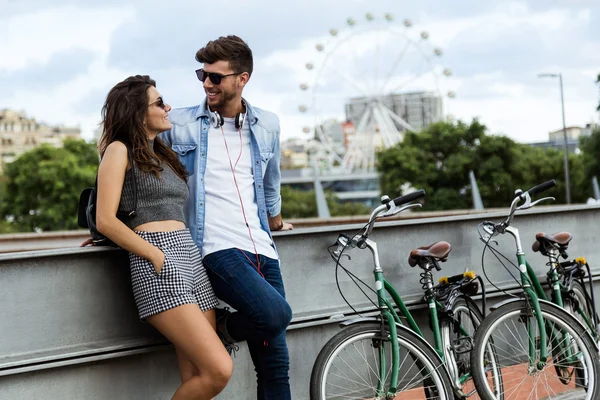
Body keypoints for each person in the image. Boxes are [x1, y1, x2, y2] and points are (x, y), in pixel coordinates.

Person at [159, 35, 294, 399]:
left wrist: (277, 221)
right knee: (275, 315)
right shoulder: (178, 124)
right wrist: (108, 222)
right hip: (214, 246)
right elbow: (135, 166)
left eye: (216, 77)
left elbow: (270, 184)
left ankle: (223, 327)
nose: (207, 84)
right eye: (202, 75)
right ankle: (223, 328)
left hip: (262, 247)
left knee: (276, 367)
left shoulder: (267, 124)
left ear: (242, 79)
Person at [94, 75, 232, 400]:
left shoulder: (164, 155)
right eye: (159, 102)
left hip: (190, 260)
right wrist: (157, 256)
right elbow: (105, 219)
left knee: (197, 374)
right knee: (219, 369)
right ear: (137, 112)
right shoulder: (118, 150)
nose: (167, 106)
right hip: (157, 259)